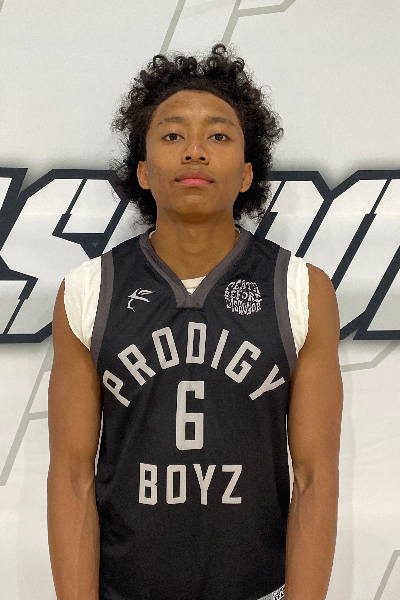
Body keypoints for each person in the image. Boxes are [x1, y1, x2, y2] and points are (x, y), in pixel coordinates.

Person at [47, 44, 343, 600]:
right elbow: (71, 477)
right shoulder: (88, 291)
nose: (195, 151)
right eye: (172, 135)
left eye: (219, 136)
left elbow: (313, 477)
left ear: (248, 172)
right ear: (142, 170)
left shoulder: (303, 290)